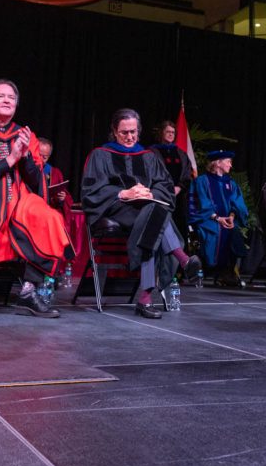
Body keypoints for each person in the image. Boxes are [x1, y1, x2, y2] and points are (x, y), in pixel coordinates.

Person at [0, 80, 74, 320]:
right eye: (1, 96)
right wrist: (10, 160)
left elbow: (34, 180)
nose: (8, 100)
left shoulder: (25, 135)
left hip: (18, 194)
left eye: (12, 97)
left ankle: (29, 291)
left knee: (47, 215)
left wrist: (26, 156)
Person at [81, 109, 200, 318]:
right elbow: (90, 190)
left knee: (153, 215)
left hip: (147, 208)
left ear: (139, 131)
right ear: (114, 132)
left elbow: (165, 185)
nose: (129, 137)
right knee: (156, 217)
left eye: (133, 132)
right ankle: (179, 261)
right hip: (116, 207)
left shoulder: (148, 156)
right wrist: (124, 193)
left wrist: (150, 192)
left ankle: (146, 296)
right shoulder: (100, 154)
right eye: (124, 132)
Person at [188, 151, 249, 286]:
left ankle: (227, 272)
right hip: (207, 219)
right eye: (228, 162)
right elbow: (201, 204)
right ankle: (216, 269)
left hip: (227, 220)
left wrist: (232, 217)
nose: (230, 165)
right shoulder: (202, 181)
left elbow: (237, 203)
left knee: (234, 232)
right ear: (218, 163)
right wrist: (217, 218)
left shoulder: (231, 183)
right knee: (215, 231)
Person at [150, 120, 193, 245]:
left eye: (173, 132)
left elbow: (187, 172)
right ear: (161, 133)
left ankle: (182, 262)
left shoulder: (181, 153)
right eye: (168, 131)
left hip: (179, 197)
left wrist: (179, 187)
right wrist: (165, 189)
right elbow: (151, 173)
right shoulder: (152, 152)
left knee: (180, 227)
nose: (170, 134)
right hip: (160, 196)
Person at [38, 137, 73, 213]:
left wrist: (61, 198)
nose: (41, 159)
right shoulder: (25, 169)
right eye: (39, 155)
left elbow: (66, 199)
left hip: (48, 211)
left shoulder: (55, 173)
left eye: (44, 157)